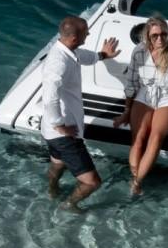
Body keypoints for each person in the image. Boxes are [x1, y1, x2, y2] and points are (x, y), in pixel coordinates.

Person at [38, 16, 121, 211]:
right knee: (92, 182)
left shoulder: (65, 50)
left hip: (51, 132)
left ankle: (52, 190)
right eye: (86, 32)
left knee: (58, 164)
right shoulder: (58, 63)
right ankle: (69, 205)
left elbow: (82, 56)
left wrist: (102, 55)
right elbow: (50, 97)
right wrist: (60, 125)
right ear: (74, 38)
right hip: (65, 134)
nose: (89, 34)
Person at [118, 14, 168, 196]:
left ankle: (136, 182)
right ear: (147, 37)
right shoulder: (139, 51)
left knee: (155, 137)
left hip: (166, 98)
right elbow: (131, 83)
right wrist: (127, 110)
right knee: (138, 136)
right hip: (144, 94)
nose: (160, 39)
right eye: (155, 36)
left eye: (164, 34)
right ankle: (136, 177)